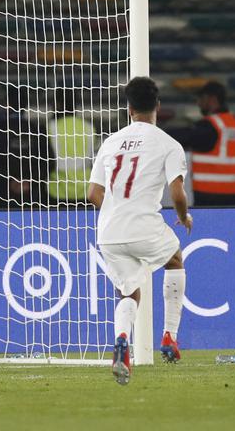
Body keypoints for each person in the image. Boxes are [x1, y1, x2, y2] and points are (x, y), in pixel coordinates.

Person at [87, 77, 190, 385]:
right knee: (174, 260)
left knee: (128, 292)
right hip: (143, 223)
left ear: (128, 108)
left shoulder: (110, 141)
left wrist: (117, 210)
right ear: (158, 106)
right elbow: (177, 193)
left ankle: (121, 342)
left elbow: (93, 193)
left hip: (108, 230)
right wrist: (184, 218)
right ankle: (170, 336)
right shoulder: (168, 144)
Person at [170, 81, 235, 207]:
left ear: (212, 99)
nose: (199, 103)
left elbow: (185, 137)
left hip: (210, 195)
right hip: (233, 194)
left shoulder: (211, 126)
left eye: (201, 99)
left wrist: (157, 133)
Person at [46, 90, 97, 203]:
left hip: (57, 191)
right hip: (85, 191)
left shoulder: (50, 127)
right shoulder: (89, 127)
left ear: (57, 104)